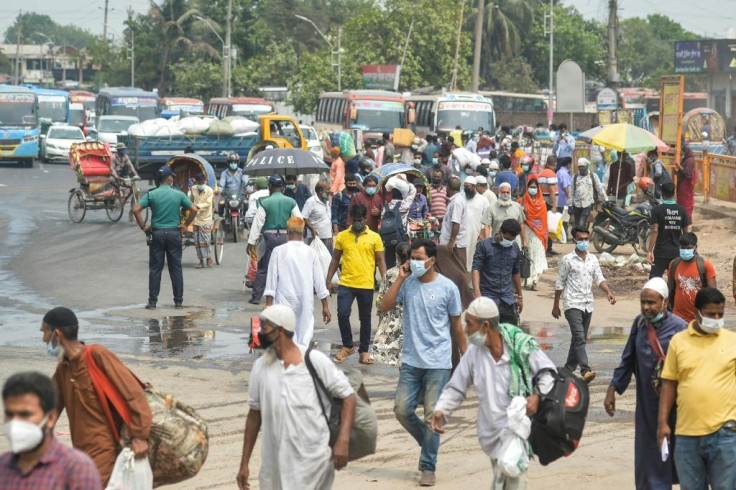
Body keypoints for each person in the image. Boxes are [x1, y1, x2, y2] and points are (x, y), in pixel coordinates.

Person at [431, 297, 556, 490]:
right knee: (501, 479)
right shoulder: (474, 353)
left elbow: (548, 373)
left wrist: (538, 397)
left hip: (517, 433)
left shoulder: (519, 345)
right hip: (491, 433)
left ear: (486, 326)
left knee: (513, 482)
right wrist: (442, 411)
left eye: (470, 325)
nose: (465, 330)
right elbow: (456, 386)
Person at [236, 305, 357, 490]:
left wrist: (343, 440)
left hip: (313, 463)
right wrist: (244, 464)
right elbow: (254, 416)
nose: (260, 333)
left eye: (265, 328)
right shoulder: (260, 367)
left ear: (281, 330)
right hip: (273, 466)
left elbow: (348, 396)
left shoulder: (314, 360)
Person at [378, 239, 467, 487]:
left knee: (432, 416)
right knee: (401, 410)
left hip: (438, 362)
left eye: (418, 258)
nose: (413, 263)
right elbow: (384, 307)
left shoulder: (448, 288)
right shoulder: (407, 285)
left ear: (431, 260)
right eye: (411, 258)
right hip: (411, 360)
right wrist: (400, 279)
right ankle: (428, 442)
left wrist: (467, 359)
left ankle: (428, 465)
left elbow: (456, 327)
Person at [43, 307, 151, 485]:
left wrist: (140, 436)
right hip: (81, 453)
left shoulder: (97, 355)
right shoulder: (64, 368)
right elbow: (49, 408)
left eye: (44, 333)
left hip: (105, 451)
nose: (43, 339)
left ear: (57, 334)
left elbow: (134, 394)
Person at [604, 278, 687, 490]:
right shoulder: (640, 324)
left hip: (677, 407)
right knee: (648, 458)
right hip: (647, 406)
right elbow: (628, 358)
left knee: (681, 459)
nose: (646, 307)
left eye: (651, 302)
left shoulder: (681, 329)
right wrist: (613, 388)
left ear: (665, 302)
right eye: (643, 302)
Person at [657, 288, 736, 490]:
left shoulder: (732, 341)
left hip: (725, 433)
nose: (716, 318)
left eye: (720, 314)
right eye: (711, 314)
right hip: (686, 435)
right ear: (697, 312)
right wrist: (663, 423)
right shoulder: (678, 342)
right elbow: (669, 383)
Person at [0, 371, 102, 489]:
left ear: (50, 418)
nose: (15, 423)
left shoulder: (77, 469)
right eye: (10, 414)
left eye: (25, 415)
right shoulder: (3, 467)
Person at [553, 225, 616, 383]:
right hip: (572, 303)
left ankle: (567, 369)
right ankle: (585, 369)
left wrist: (608, 292)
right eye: (580, 239)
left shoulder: (593, 259)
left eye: (586, 239)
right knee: (580, 337)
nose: (584, 242)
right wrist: (555, 305)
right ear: (574, 240)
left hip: (588, 303)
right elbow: (560, 283)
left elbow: (599, 278)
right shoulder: (567, 260)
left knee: (578, 339)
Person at [326, 203, 387, 365]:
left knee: (365, 319)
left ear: (365, 219)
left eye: (360, 220)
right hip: (346, 283)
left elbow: (381, 261)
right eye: (355, 220)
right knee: (343, 314)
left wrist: (386, 283)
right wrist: (328, 279)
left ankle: (364, 351)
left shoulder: (375, 237)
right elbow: (335, 259)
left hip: (366, 284)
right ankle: (347, 346)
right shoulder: (342, 237)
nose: (358, 223)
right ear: (351, 220)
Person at [133, 165, 198, 309]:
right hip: (174, 234)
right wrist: (185, 224)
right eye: (172, 177)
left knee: (155, 269)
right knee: (175, 268)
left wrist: (143, 227)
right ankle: (178, 301)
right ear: (169, 178)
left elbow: (136, 210)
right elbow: (194, 209)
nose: (173, 178)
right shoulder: (179, 194)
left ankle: (152, 302)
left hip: (157, 234)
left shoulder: (152, 194)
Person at [265, 217, 330, 347]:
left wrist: (268, 305)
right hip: (305, 300)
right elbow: (319, 282)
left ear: (288, 232)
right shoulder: (311, 252)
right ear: (303, 233)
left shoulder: (278, 251)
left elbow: (271, 281)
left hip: (284, 299)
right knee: (304, 336)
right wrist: (325, 306)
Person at [247, 174, 302, 305]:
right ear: (283, 187)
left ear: (270, 187)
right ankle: (286, 295)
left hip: (269, 237)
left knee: (263, 268)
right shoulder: (290, 202)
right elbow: (299, 220)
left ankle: (256, 297)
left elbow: (257, 224)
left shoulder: (264, 202)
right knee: (285, 267)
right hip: (285, 237)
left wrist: (251, 242)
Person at [472, 219, 524, 325]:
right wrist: (477, 292)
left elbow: (516, 272)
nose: (508, 242)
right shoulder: (484, 246)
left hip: (507, 300)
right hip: (487, 298)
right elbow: (476, 269)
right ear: (500, 232)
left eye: (511, 240)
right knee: (488, 335)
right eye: (507, 239)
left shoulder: (514, 248)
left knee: (509, 335)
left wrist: (520, 296)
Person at [373, 242, 411, 367]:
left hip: (392, 322)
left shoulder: (390, 274)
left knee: (397, 357)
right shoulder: (417, 274)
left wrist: (381, 322)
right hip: (411, 321)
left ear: (396, 255)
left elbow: (380, 302)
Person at [667, 232, 717, 324]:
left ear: (695, 247)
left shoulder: (705, 265)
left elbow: (713, 293)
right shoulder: (674, 264)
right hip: (678, 317)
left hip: (699, 318)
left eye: (688, 248)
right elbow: (669, 289)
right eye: (683, 248)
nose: (685, 251)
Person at [647, 182, 691, 278]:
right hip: (676, 253)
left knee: (654, 280)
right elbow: (686, 233)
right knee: (676, 280)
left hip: (660, 252)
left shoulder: (657, 210)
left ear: (662, 194)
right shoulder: (682, 210)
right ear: (674, 193)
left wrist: (650, 250)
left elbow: (655, 230)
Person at [520, 177, 548, 290]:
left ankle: (535, 281)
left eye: (534, 188)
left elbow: (544, 220)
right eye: (531, 187)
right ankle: (527, 280)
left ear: (538, 189)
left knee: (537, 255)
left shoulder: (542, 203)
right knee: (527, 256)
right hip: (526, 232)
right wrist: (523, 210)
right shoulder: (522, 201)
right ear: (527, 188)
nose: (533, 189)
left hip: (539, 234)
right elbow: (520, 218)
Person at [439, 176, 468, 267]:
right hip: (452, 243)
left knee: (458, 269)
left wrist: (451, 243)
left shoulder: (457, 202)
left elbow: (456, 224)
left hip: (455, 245)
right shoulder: (455, 200)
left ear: (448, 187)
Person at [464, 176, 491, 272]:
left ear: (475, 186)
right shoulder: (462, 198)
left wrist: (483, 231)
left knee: (475, 257)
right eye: (465, 187)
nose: (466, 189)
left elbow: (487, 218)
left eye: (468, 187)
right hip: (463, 233)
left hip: (477, 233)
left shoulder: (483, 200)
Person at [487, 182, 527, 247]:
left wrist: (524, 241)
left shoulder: (517, 206)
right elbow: (487, 226)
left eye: (507, 192)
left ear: (510, 193)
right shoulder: (491, 207)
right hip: (498, 242)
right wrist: (487, 242)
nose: (505, 194)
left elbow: (521, 224)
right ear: (499, 192)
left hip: (515, 242)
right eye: (503, 192)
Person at [187, 173, 214, 269]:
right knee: (197, 241)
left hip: (206, 217)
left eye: (203, 182)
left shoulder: (209, 190)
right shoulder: (193, 189)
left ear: (205, 182)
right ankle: (201, 261)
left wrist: (198, 206)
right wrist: (188, 206)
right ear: (196, 182)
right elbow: (190, 200)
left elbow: (208, 203)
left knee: (205, 240)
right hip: (195, 218)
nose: (202, 184)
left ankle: (208, 258)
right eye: (200, 183)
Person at [571, 157, 606, 228]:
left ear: (587, 166)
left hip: (587, 203)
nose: (581, 169)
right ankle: (581, 237)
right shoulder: (575, 177)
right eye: (579, 167)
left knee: (581, 222)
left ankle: (581, 236)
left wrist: (605, 199)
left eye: (583, 167)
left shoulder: (593, 176)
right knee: (577, 224)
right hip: (576, 205)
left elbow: (600, 188)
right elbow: (571, 191)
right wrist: (569, 204)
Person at [302, 179, 333, 250]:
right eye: (328, 189)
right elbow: (303, 218)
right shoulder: (311, 201)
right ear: (320, 191)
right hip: (315, 238)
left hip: (328, 237)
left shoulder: (327, 201)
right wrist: (312, 229)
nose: (330, 191)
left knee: (328, 260)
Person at [538, 155, 559, 255]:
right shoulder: (551, 174)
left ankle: (549, 247)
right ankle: (546, 248)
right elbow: (551, 190)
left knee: (547, 225)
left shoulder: (541, 173)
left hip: (542, 202)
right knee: (548, 226)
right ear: (555, 164)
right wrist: (554, 205)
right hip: (549, 203)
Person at [218, 153, 248, 217]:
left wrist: (248, 190)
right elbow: (222, 184)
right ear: (228, 163)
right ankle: (221, 218)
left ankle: (245, 219)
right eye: (231, 162)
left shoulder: (242, 172)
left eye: (235, 162)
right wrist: (220, 191)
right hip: (227, 195)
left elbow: (245, 182)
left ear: (238, 163)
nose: (233, 164)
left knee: (246, 203)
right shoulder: (224, 173)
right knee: (221, 204)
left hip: (240, 195)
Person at [674, 142, 696, 219]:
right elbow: (683, 172)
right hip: (682, 185)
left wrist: (679, 166)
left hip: (686, 186)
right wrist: (677, 172)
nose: (681, 153)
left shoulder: (690, 160)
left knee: (686, 204)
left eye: (682, 151)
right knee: (681, 203)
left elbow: (688, 173)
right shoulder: (685, 159)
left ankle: (687, 221)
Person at [556, 157, 572, 239]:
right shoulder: (565, 174)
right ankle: (565, 237)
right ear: (568, 164)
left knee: (559, 220)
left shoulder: (558, 172)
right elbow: (566, 187)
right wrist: (570, 198)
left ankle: (560, 236)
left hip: (558, 200)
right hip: (564, 201)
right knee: (565, 220)